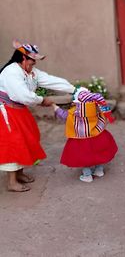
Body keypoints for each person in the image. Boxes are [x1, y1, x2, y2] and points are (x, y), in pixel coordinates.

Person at [0, 40, 75, 192]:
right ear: (23, 59)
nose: (34, 64)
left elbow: (50, 80)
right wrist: (42, 100)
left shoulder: (30, 72)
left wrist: (74, 89)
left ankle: (19, 174)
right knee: (14, 142)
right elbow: (22, 96)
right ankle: (11, 182)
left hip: (19, 110)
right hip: (6, 111)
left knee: (27, 139)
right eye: (32, 61)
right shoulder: (11, 72)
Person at [52, 87, 118, 182]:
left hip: (81, 138)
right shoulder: (97, 108)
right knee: (99, 152)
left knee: (84, 157)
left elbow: (64, 115)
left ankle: (87, 175)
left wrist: (55, 107)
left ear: (77, 102)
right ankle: (99, 170)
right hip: (98, 135)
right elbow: (105, 116)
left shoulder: (75, 112)